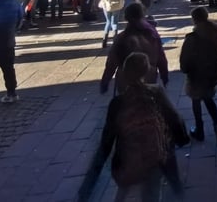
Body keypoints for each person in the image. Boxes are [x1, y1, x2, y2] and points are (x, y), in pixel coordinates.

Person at [79, 52, 189, 202]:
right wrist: (182, 138)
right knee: (152, 193)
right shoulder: (156, 92)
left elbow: (106, 142)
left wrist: (91, 179)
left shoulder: (117, 103)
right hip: (154, 157)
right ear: (146, 71)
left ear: (124, 73)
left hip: (127, 160)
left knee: (123, 190)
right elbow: (173, 118)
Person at [179, 6, 217, 146]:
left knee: (196, 99)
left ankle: (199, 129)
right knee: (207, 97)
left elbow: (185, 59)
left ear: (194, 20)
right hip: (214, 70)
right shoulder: (216, 31)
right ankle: (216, 124)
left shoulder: (192, 38)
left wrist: (185, 69)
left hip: (197, 73)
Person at [100, 3, 169, 94]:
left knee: (128, 104)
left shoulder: (122, 37)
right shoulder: (152, 35)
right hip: (148, 75)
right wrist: (164, 75)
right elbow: (160, 56)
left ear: (126, 18)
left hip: (126, 79)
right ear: (142, 15)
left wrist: (105, 80)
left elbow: (112, 62)